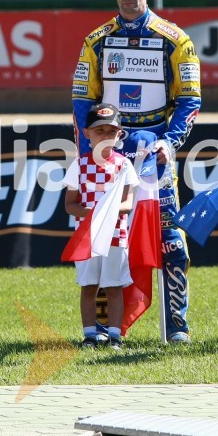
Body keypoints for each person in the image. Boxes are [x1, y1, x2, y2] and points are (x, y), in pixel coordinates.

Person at [72, 0, 202, 344]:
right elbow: (83, 101)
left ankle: (175, 324)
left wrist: (170, 141)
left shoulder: (176, 39)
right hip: (109, 156)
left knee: (170, 238)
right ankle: (101, 329)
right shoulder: (96, 39)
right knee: (100, 239)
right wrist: (89, 154)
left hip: (155, 155)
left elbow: (190, 99)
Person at [64, 103, 138, 350]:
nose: (105, 136)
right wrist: (92, 215)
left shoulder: (124, 165)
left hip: (116, 235)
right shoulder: (79, 165)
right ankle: (89, 335)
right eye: (99, 131)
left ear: (120, 134)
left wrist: (107, 213)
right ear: (87, 134)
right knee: (88, 286)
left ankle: (115, 336)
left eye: (111, 131)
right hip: (86, 237)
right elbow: (70, 205)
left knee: (114, 286)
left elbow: (128, 203)